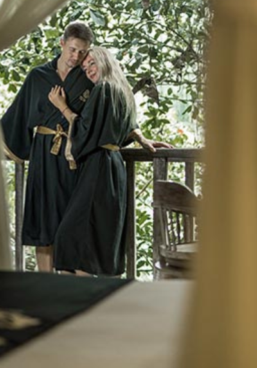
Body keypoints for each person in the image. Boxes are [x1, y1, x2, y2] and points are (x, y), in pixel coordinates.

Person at [1, 22, 162, 273]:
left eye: (83, 53)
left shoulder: (89, 78)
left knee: (73, 226)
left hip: (78, 158)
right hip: (45, 155)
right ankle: (46, 289)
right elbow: (18, 117)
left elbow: (110, 113)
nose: (77, 57)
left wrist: (140, 137)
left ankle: (69, 290)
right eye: (73, 49)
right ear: (62, 43)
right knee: (45, 223)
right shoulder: (38, 77)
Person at [48, 46, 169, 276]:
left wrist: (62, 107)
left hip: (98, 168)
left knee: (73, 236)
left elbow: (85, 129)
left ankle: (80, 301)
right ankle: (88, 295)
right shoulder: (122, 92)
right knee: (96, 236)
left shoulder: (103, 89)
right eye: (85, 68)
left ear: (105, 61)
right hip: (113, 167)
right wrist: (140, 137)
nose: (89, 70)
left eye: (92, 63)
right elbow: (124, 128)